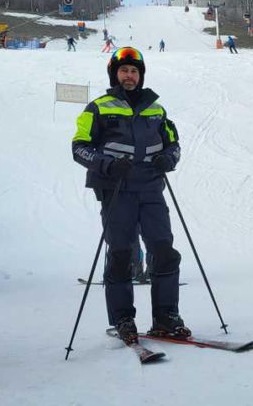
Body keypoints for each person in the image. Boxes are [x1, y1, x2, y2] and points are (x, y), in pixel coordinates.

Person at [71, 46, 191, 345]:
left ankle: (166, 317)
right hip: (116, 190)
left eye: (134, 71)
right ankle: (123, 318)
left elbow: (173, 144)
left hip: (150, 188)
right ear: (115, 74)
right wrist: (108, 164)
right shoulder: (97, 108)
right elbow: (79, 147)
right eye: (124, 70)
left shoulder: (156, 109)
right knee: (121, 254)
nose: (129, 75)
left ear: (140, 75)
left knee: (164, 251)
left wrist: (168, 159)